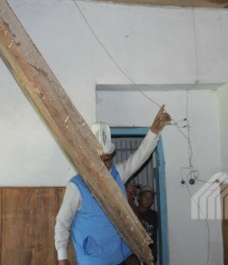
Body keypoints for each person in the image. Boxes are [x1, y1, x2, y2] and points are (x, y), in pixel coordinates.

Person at [54, 105, 171, 265]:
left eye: (108, 159)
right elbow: (62, 222)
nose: (105, 165)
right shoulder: (77, 186)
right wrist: (62, 257)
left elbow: (139, 157)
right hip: (93, 260)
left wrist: (154, 132)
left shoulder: (117, 175)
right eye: (100, 160)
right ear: (89, 158)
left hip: (120, 256)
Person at [136, 185, 159, 264]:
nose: (148, 199)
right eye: (145, 196)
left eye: (151, 197)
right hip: (135, 255)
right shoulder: (133, 213)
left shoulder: (155, 215)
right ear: (139, 198)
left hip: (150, 255)